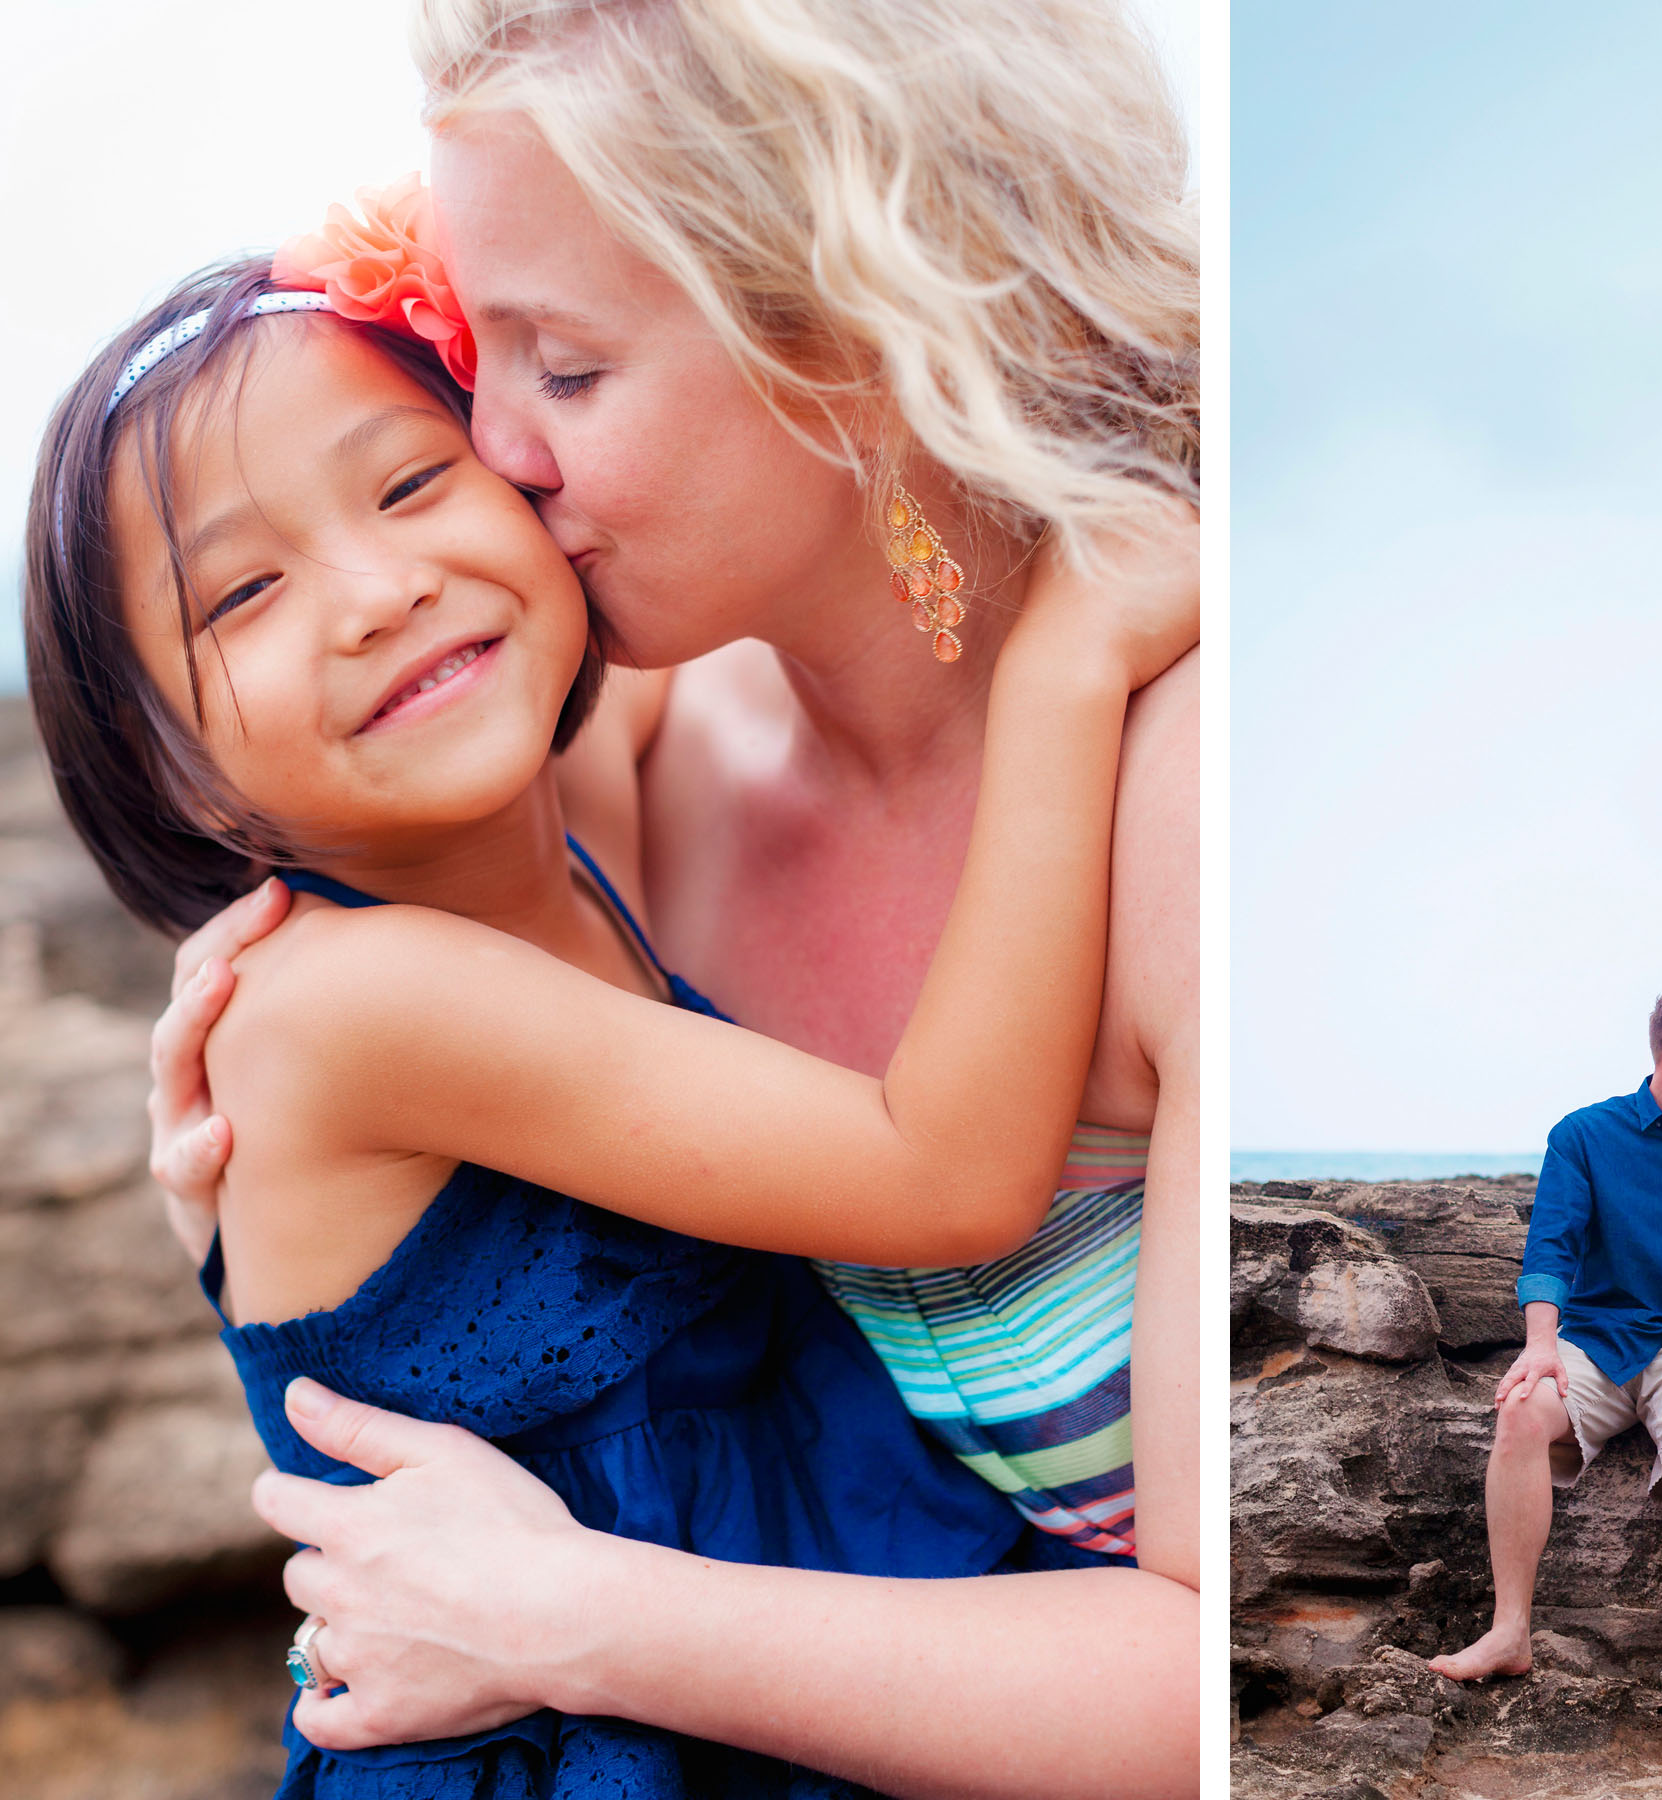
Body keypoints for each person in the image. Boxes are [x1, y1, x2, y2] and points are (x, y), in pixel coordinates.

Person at [140, 4, 1199, 1794]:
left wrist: (569, 1617)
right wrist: (262, 1194)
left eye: (562, 368)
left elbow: (1200, 1701)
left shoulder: (1173, 792)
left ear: (866, 331)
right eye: (476, 352)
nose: (496, 450)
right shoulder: (622, 756)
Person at [1426, 984, 1662, 1774]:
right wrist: (1540, 1344)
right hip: (1602, 1334)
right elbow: (1552, 1244)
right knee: (1519, 1412)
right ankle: (1510, 1630)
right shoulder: (1584, 1134)